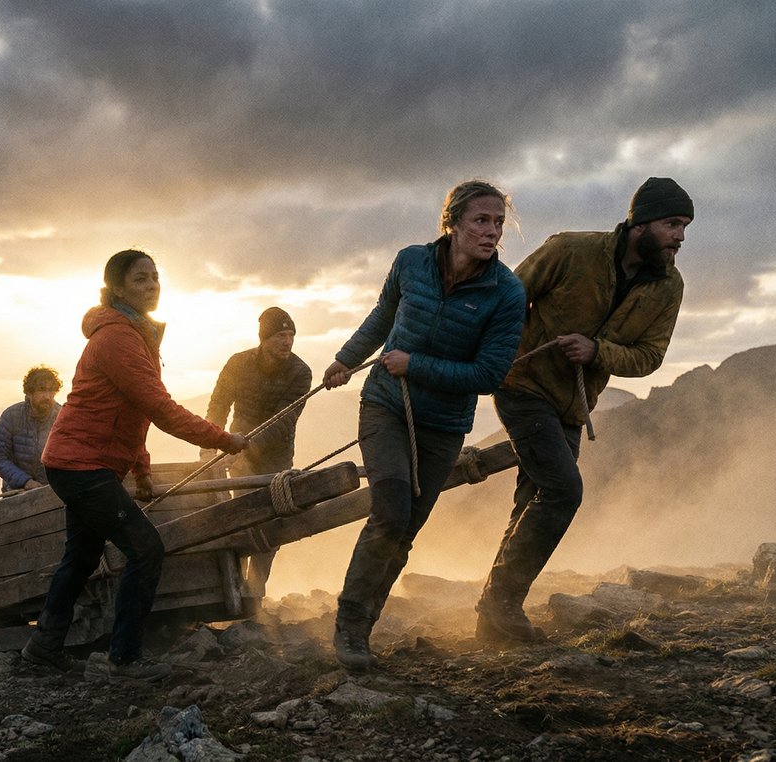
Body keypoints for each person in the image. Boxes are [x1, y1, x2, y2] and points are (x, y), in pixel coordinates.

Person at [474, 177, 693, 645]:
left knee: (531, 502)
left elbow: (649, 357)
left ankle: (493, 619)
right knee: (563, 490)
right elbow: (506, 299)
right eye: (673, 223)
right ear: (640, 222)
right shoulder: (571, 250)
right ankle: (502, 605)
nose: (681, 236)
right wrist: (488, 361)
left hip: (573, 406)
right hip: (522, 383)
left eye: (685, 226)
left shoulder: (669, 287)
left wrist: (597, 352)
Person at [323, 181, 526, 671]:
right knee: (390, 513)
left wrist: (413, 364)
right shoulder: (411, 262)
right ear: (451, 223)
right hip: (386, 406)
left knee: (406, 529)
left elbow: (487, 375)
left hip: (444, 423)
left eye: (499, 222)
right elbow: (382, 316)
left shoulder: (506, 293)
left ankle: (364, 628)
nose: (492, 231)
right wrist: (345, 360)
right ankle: (349, 626)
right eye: (481, 220)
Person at [21, 249, 248, 681]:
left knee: (82, 557)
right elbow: (159, 408)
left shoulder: (133, 333)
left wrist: (141, 468)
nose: (152, 286)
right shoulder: (119, 338)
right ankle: (124, 660)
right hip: (82, 466)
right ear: (118, 289)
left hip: (77, 463)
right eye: (140, 279)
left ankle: (42, 647)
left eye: (156, 278)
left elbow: (134, 413)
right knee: (145, 549)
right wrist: (223, 440)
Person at [203, 306, 312, 582]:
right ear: (263, 338)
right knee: (241, 515)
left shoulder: (301, 373)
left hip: (275, 458)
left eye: (290, 335)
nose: (286, 341)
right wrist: (208, 445)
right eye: (279, 335)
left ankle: (255, 590)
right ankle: (235, 584)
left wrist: (244, 447)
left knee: (273, 523)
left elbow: (282, 422)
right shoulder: (238, 363)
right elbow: (219, 404)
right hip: (237, 454)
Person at [0, 366, 62, 491]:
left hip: (53, 492)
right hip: (16, 492)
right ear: (29, 392)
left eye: (51, 391)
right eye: (42, 390)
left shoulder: (62, 418)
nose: (47, 396)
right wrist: (25, 481)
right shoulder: (11, 416)